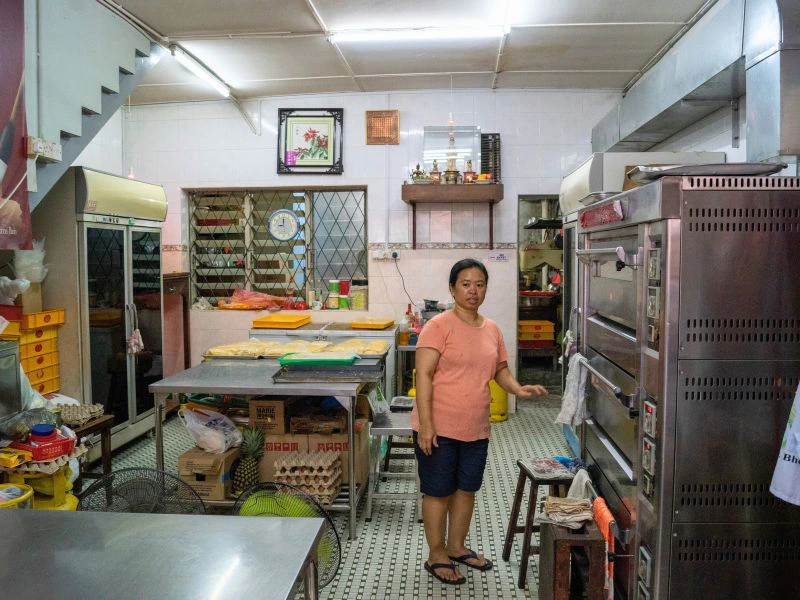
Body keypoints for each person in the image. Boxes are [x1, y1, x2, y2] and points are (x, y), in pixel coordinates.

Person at [411, 258, 548, 585]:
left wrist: (517, 388)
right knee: (437, 491)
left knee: (466, 488)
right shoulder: (438, 326)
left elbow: (499, 369)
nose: (473, 291)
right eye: (466, 284)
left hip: (475, 427)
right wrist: (427, 425)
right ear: (452, 288)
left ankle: (456, 547)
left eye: (480, 284)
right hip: (439, 426)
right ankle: (436, 554)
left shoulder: (492, 329)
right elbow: (425, 376)